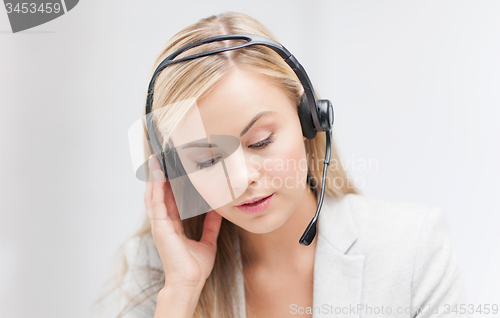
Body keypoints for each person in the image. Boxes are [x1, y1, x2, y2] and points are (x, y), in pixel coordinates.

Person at [115, 11, 468, 318]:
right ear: (175, 171)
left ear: (309, 121)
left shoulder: (411, 247)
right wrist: (181, 293)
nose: (241, 179)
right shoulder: (154, 269)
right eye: (207, 160)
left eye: (261, 141)